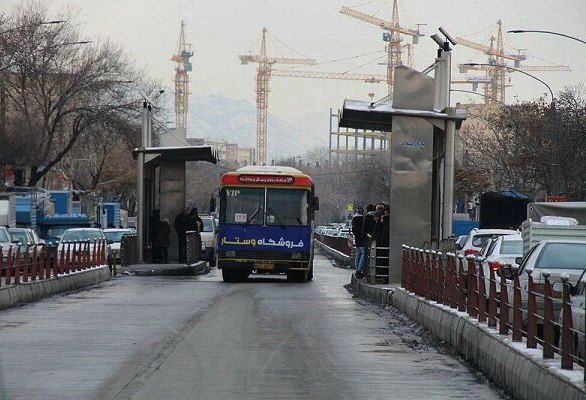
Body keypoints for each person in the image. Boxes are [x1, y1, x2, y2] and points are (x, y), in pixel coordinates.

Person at [351, 206, 366, 279]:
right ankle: (359, 269)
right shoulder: (363, 218)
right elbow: (364, 228)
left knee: (358, 253)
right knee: (363, 253)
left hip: (357, 238)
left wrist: (356, 235)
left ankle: (356, 268)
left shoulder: (354, 218)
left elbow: (353, 230)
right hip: (362, 238)